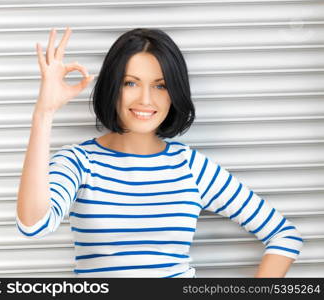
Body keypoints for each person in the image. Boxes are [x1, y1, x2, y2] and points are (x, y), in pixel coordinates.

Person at [16, 27, 303, 278]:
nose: (145, 99)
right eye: (131, 83)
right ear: (113, 87)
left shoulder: (191, 167)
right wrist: (44, 113)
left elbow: (283, 235)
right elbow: (33, 225)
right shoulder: (78, 162)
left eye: (160, 85)